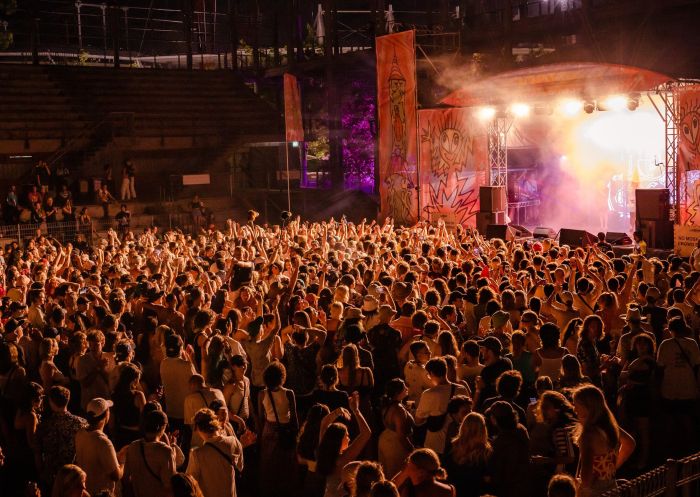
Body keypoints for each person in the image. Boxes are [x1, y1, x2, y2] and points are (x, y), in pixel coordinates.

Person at [572, 385, 635, 497]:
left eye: (576, 405)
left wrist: (578, 484)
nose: (574, 408)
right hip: (611, 486)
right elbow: (629, 443)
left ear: (588, 407)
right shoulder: (609, 425)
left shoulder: (588, 435)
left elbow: (586, 478)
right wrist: (612, 467)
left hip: (593, 492)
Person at [187, 408, 255, 497]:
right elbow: (240, 467)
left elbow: (190, 482)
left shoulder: (197, 454)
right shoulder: (233, 441)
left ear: (198, 428)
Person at [316, 391, 372, 497]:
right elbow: (366, 433)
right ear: (339, 440)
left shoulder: (324, 452)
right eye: (347, 435)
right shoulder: (342, 460)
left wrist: (337, 412)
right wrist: (356, 411)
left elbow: (324, 424)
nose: (349, 438)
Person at [257, 362, 299, 497]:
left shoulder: (261, 394)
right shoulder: (289, 393)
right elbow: (294, 418)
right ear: (282, 376)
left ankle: (268, 490)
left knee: (268, 463)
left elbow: (260, 417)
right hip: (285, 430)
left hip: (268, 429)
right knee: (285, 463)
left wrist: (259, 436)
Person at [36, 386, 88, 491]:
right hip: (73, 474)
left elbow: (37, 449)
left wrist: (41, 470)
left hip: (50, 475)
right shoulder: (81, 423)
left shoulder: (44, 425)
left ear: (51, 402)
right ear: (68, 400)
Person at [122, 409, 184, 497]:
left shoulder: (133, 446)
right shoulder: (165, 451)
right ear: (163, 427)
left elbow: (126, 478)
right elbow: (169, 485)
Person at [415, 358, 470, 456]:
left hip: (436, 443)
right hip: (457, 441)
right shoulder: (461, 389)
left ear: (431, 373)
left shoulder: (429, 394)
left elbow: (418, 421)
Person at [74, 398, 123, 495]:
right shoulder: (103, 442)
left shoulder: (80, 433)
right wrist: (122, 461)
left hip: (85, 491)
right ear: (105, 415)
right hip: (101, 493)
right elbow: (116, 475)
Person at [445, 412, 492, 497]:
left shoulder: (452, 447)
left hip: (453, 492)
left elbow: (445, 471)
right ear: (483, 429)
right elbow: (487, 479)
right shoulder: (486, 452)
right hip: (474, 493)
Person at [378, 379, 414, 479]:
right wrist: (412, 450)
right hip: (395, 445)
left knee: (387, 474)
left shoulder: (388, 405)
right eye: (404, 387)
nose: (407, 388)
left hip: (385, 439)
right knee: (398, 475)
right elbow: (401, 435)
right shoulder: (398, 409)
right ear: (398, 392)